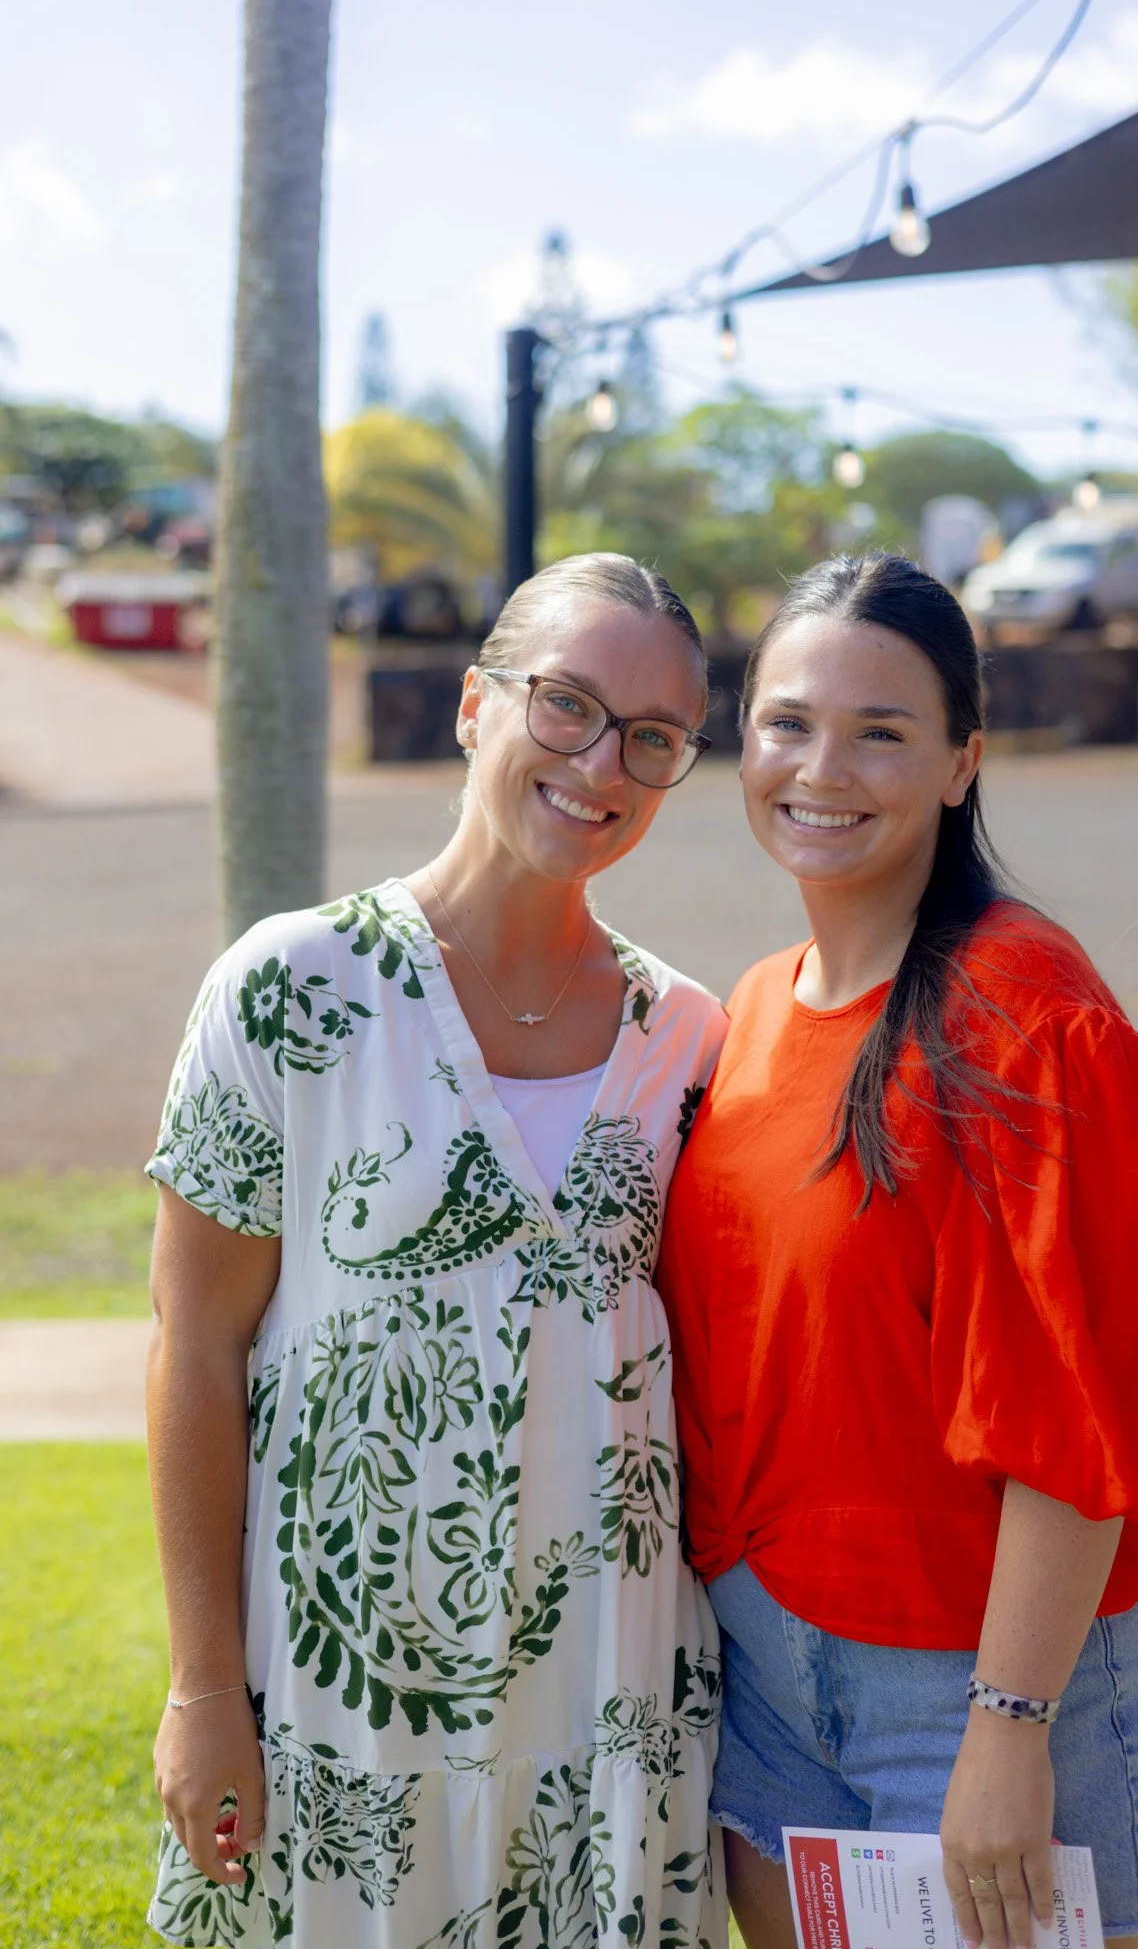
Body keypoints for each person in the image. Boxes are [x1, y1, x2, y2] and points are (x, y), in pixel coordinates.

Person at [657, 552, 1138, 1949]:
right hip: (771, 1665)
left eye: (883, 731)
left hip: (979, 1681)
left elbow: (1078, 1416)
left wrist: (1009, 1727)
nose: (822, 766)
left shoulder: (1029, 1022)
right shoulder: (751, 1006)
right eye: (789, 721)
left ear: (963, 761)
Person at [146, 554, 729, 1949]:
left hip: (613, 1699)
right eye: (568, 704)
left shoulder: (690, 1036)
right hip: (341, 1712)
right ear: (476, 707)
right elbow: (197, 1351)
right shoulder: (290, 991)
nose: (602, 764)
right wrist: (204, 1688)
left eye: (652, 739)